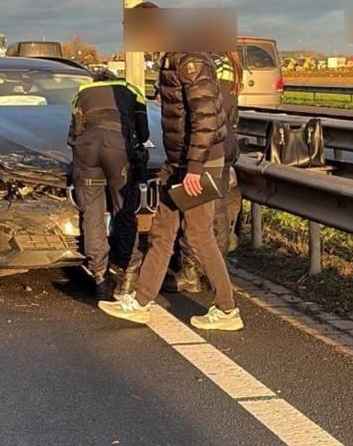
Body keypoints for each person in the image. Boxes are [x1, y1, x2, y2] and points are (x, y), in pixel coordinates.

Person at [99, 47, 242, 331]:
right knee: (162, 232)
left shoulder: (190, 60)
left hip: (197, 163)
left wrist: (194, 167)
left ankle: (227, 309)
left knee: (200, 235)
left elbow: (205, 118)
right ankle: (140, 303)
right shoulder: (171, 59)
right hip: (179, 162)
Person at [69, 67, 149, 299]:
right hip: (116, 148)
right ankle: (129, 269)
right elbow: (143, 134)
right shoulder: (131, 89)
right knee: (123, 208)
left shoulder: (81, 92)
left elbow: (73, 129)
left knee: (92, 213)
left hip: (85, 151)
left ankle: (100, 277)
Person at [171, 50, 242, 293]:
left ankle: (197, 273)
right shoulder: (229, 63)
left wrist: (194, 162)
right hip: (225, 140)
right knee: (216, 209)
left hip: (211, 145)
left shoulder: (204, 63)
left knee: (200, 213)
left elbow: (203, 114)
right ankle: (215, 273)